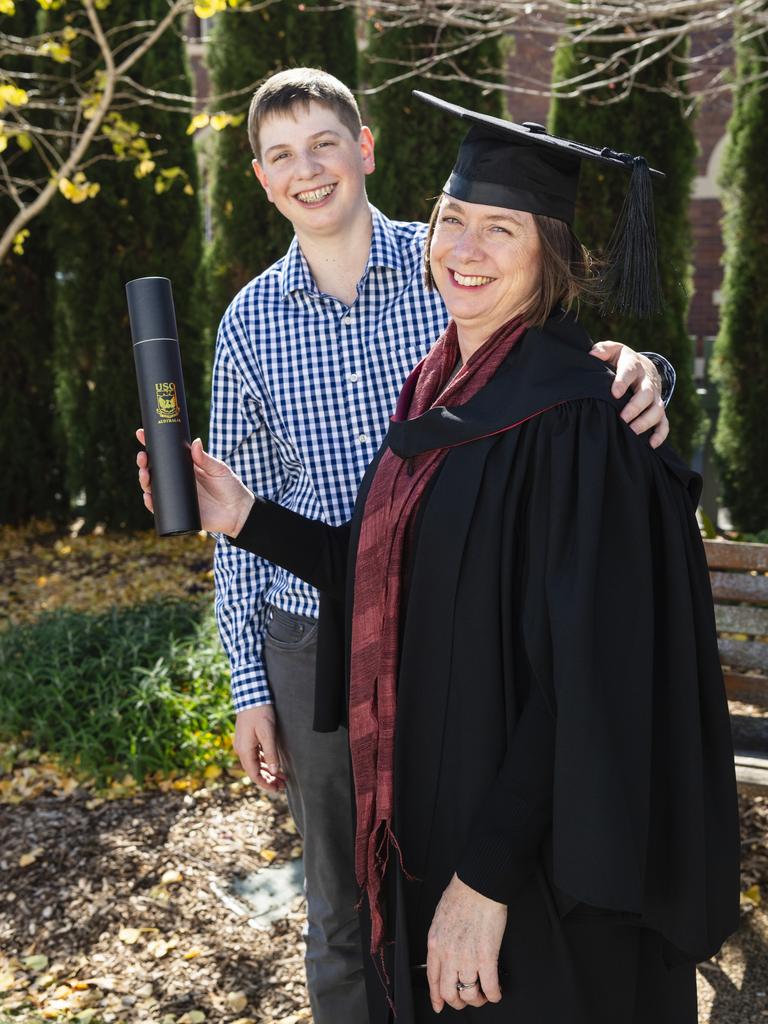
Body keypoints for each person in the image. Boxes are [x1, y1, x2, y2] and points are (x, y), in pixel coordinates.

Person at [139, 70, 676, 1024]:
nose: (466, 251)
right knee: (349, 900)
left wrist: (643, 373)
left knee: (470, 901)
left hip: (482, 688)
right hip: (332, 641)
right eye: (280, 156)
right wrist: (247, 605)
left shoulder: (473, 317)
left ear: (368, 149)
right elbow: (376, 550)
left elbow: (569, 371)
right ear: (261, 178)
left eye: (324, 144)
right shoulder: (306, 340)